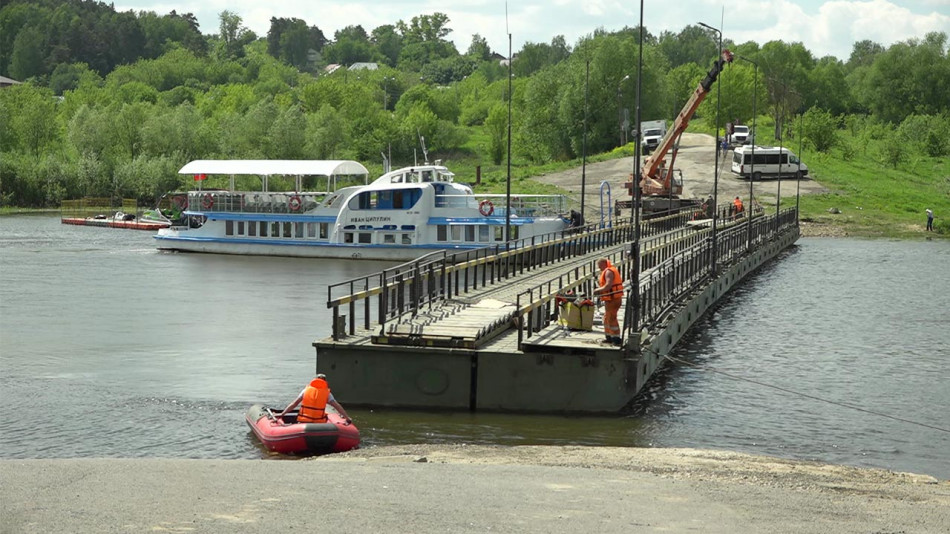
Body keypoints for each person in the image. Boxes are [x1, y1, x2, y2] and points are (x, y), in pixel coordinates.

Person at [279, 374, 352, 424]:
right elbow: (337, 406)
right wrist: (347, 418)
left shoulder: (306, 390)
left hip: (304, 421)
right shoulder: (327, 393)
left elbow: (294, 403)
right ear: (325, 381)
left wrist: (283, 414)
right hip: (318, 423)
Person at [594, 258, 624, 346]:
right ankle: (609, 337)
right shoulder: (608, 270)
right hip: (609, 299)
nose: (599, 268)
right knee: (607, 318)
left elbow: (608, 285)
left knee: (611, 318)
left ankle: (616, 338)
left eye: (600, 266)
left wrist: (598, 290)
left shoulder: (609, 271)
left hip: (613, 299)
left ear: (604, 264)